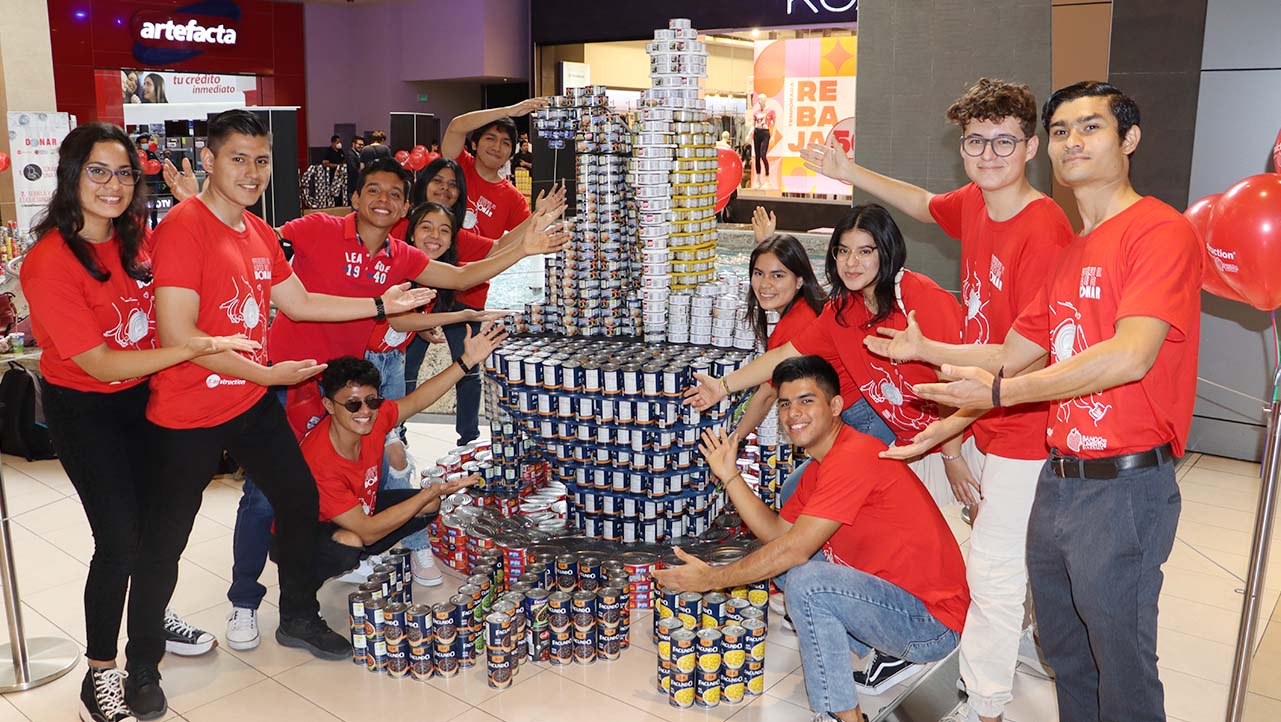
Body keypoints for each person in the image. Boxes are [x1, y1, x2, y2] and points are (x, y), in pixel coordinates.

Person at [865, 81, 1201, 722]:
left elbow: (1130, 355)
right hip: (1061, 476)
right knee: (1068, 654)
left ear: (1128, 140)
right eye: (1063, 129)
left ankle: (985, 699)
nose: (1074, 140)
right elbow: (1011, 351)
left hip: (1126, 483)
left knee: (1121, 664)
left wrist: (999, 394)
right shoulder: (1073, 251)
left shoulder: (1158, 231)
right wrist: (931, 368)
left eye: (1092, 127)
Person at [120, 109, 437, 720]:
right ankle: (140, 665)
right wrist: (266, 374)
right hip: (188, 410)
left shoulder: (259, 234)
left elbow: (302, 302)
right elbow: (180, 332)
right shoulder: (185, 228)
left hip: (249, 401)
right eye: (238, 158)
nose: (252, 171)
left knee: (296, 499)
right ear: (209, 161)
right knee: (166, 539)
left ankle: (297, 616)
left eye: (261, 160)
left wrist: (378, 301)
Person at [801, 78, 1072, 722]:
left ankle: (985, 705)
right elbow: (924, 204)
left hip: (1025, 422)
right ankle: (1032, 644)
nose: (988, 153)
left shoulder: (1045, 227)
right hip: (983, 414)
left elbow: (1021, 355)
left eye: (1004, 140)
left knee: (993, 571)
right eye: (975, 140)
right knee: (1004, 550)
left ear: (1030, 146)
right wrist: (848, 170)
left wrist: (931, 354)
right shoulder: (978, 203)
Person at [222, 156, 567, 648]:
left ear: (405, 205)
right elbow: (258, 239)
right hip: (282, 383)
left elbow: (461, 275)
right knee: (261, 496)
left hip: (343, 395)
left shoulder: (401, 257)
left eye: (394, 194)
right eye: (374, 191)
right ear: (357, 197)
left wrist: (524, 248)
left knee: (321, 494)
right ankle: (244, 602)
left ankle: (302, 600)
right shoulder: (317, 228)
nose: (383, 201)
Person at [19, 122, 251, 722]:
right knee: (119, 539)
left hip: (148, 400)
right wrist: (195, 347)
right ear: (72, 177)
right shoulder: (48, 261)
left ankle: (149, 614)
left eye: (124, 171)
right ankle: (99, 675)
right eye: (98, 170)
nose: (113, 184)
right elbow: (97, 363)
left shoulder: (137, 239)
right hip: (88, 410)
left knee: (163, 526)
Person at [655, 355, 969, 722]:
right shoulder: (822, 465)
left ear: (835, 406)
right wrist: (730, 477)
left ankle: (843, 715)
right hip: (893, 601)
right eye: (785, 403)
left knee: (804, 578)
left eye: (807, 401)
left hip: (930, 624)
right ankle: (860, 652)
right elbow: (777, 536)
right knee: (787, 567)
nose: (793, 414)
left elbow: (795, 550)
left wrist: (711, 579)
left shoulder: (852, 457)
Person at [302, 323, 505, 584]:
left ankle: (364, 555)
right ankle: (302, 591)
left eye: (372, 401)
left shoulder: (374, 418)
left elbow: (420, 398)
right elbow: (368, 531)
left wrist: (466, 361)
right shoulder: (320, 460)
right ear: (329, 405)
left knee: (428, 504)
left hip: (356, 510)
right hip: (304, 533)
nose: (364, 411)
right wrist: (431, 490)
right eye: (352, 404)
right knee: (351, 542)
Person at [398, 158, 566, 445]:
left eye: (453, 184)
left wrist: (534, 219)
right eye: (438, 180)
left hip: (457, 304)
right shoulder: (398, 229)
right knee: (402, 371)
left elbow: (491, 253)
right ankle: (394, 434)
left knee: (467, 367)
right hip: (404, 314)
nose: (444, 189)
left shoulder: (455, 232)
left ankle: (468, 438)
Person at [727, 207, 826, 442]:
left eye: (777, 275)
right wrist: (767, 243)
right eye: (759, 274)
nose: (764, 284)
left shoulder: (796, 325)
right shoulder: (809, 306)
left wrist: (732, 442)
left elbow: (766, 395)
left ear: (800, 280)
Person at [442, 98, 547, 239]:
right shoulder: (458, 165)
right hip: (441, 258)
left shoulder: (514, 200)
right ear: (474, 144)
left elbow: (524, 240)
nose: (497, 147)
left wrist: (539, 217)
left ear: (511, 153)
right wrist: (508, 111)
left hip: (482, 261)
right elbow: (456, 126)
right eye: (490, 138)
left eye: (505, 143)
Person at [751, 93, 775, 188]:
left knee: (763, 154)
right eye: (758, 99)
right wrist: (750, 133)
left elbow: (774, 124)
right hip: (757, 132)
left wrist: (773, 136)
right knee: (757, 156)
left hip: (765, 132)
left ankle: (767, 177)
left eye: (761, 99)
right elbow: (753, 124)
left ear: (765, 100)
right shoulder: (756, 112)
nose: (759, 101)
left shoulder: (771, 111)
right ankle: (758, 179)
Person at [346, 136, 364, 201]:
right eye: (359, 144)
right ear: (353, 144)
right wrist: (364, 174)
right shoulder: (350, 154)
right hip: (353, 184)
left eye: (362, 145)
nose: (361, 146)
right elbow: (353, 169)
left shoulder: (360, 154)